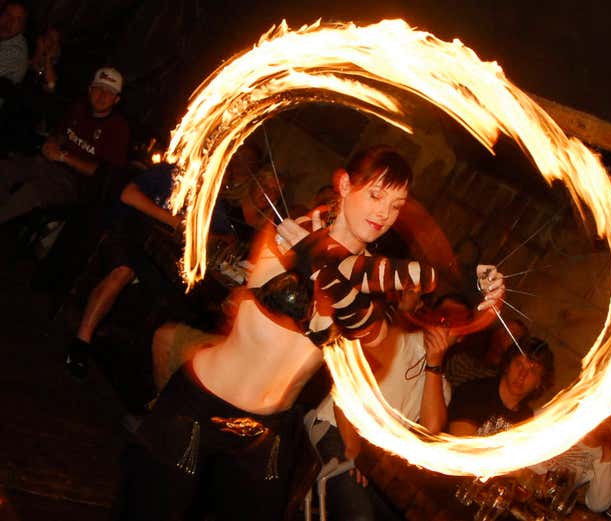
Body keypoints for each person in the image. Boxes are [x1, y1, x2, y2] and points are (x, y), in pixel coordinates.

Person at [117, 145, 507, 520]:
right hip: (200, 407)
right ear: (344, 185)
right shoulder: (296, 232)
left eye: (396, 206)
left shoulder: (372, 275)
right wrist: (453, 276)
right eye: (375, 195)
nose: (384, 214)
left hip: (267, 432)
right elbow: (329, 277)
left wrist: (465, 288)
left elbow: (368, 333)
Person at [64, 162, 236, 381]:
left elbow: (228, 237)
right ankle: (81, 342)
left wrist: (206, 236)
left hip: (160, 255)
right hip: (127, 234)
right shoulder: (169, 173)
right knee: (124, 270)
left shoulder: (211, 200)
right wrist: (176, 224)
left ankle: (142, 367)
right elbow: (128, 195)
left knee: (183, 300)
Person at [312, 295, 470, 520]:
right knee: (361, 516)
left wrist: (433, 362)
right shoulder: (396, 339)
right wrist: (353, 453)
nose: (443, 326)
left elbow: (432, 428)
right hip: (334, 429)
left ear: (462, 336)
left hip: (370, 456)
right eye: (442, 317)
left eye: (454, 324)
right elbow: (345, 392)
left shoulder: (442, 385)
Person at [0, 66, 129, 224]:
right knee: (5, 169)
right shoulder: (79, 107)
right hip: (48, 164)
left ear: (116, 99)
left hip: (74, 184)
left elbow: (103, 174)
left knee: (31, 192)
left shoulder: (118, 129)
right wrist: (53, 142)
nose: (102, 95)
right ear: (90, 90)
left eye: (109, 92)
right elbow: (62, 133)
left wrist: (64, 157)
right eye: (99, 89)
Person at [529, 393, 611, 513]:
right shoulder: (570, 418)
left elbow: (598, 505)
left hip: (547, 508)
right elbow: (519, 441)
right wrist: (540, 477)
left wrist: (608, 448)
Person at [447, 337, 554, 436]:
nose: (522, 374)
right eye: (519, 364)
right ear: (507, 365)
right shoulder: (474, 392)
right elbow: (461, 445)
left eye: (532, 371)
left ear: (539, 382)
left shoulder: (526, 419)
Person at [445, 318, 529, 389]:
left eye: (512, 336)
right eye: (503, 329)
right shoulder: (463, 357)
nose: (504, 336)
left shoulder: (499, 381)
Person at [0, 2, 27, 108]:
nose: (9, 22)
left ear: (22, 28)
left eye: (17, 20)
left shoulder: (16, 51)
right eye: (7, 15)